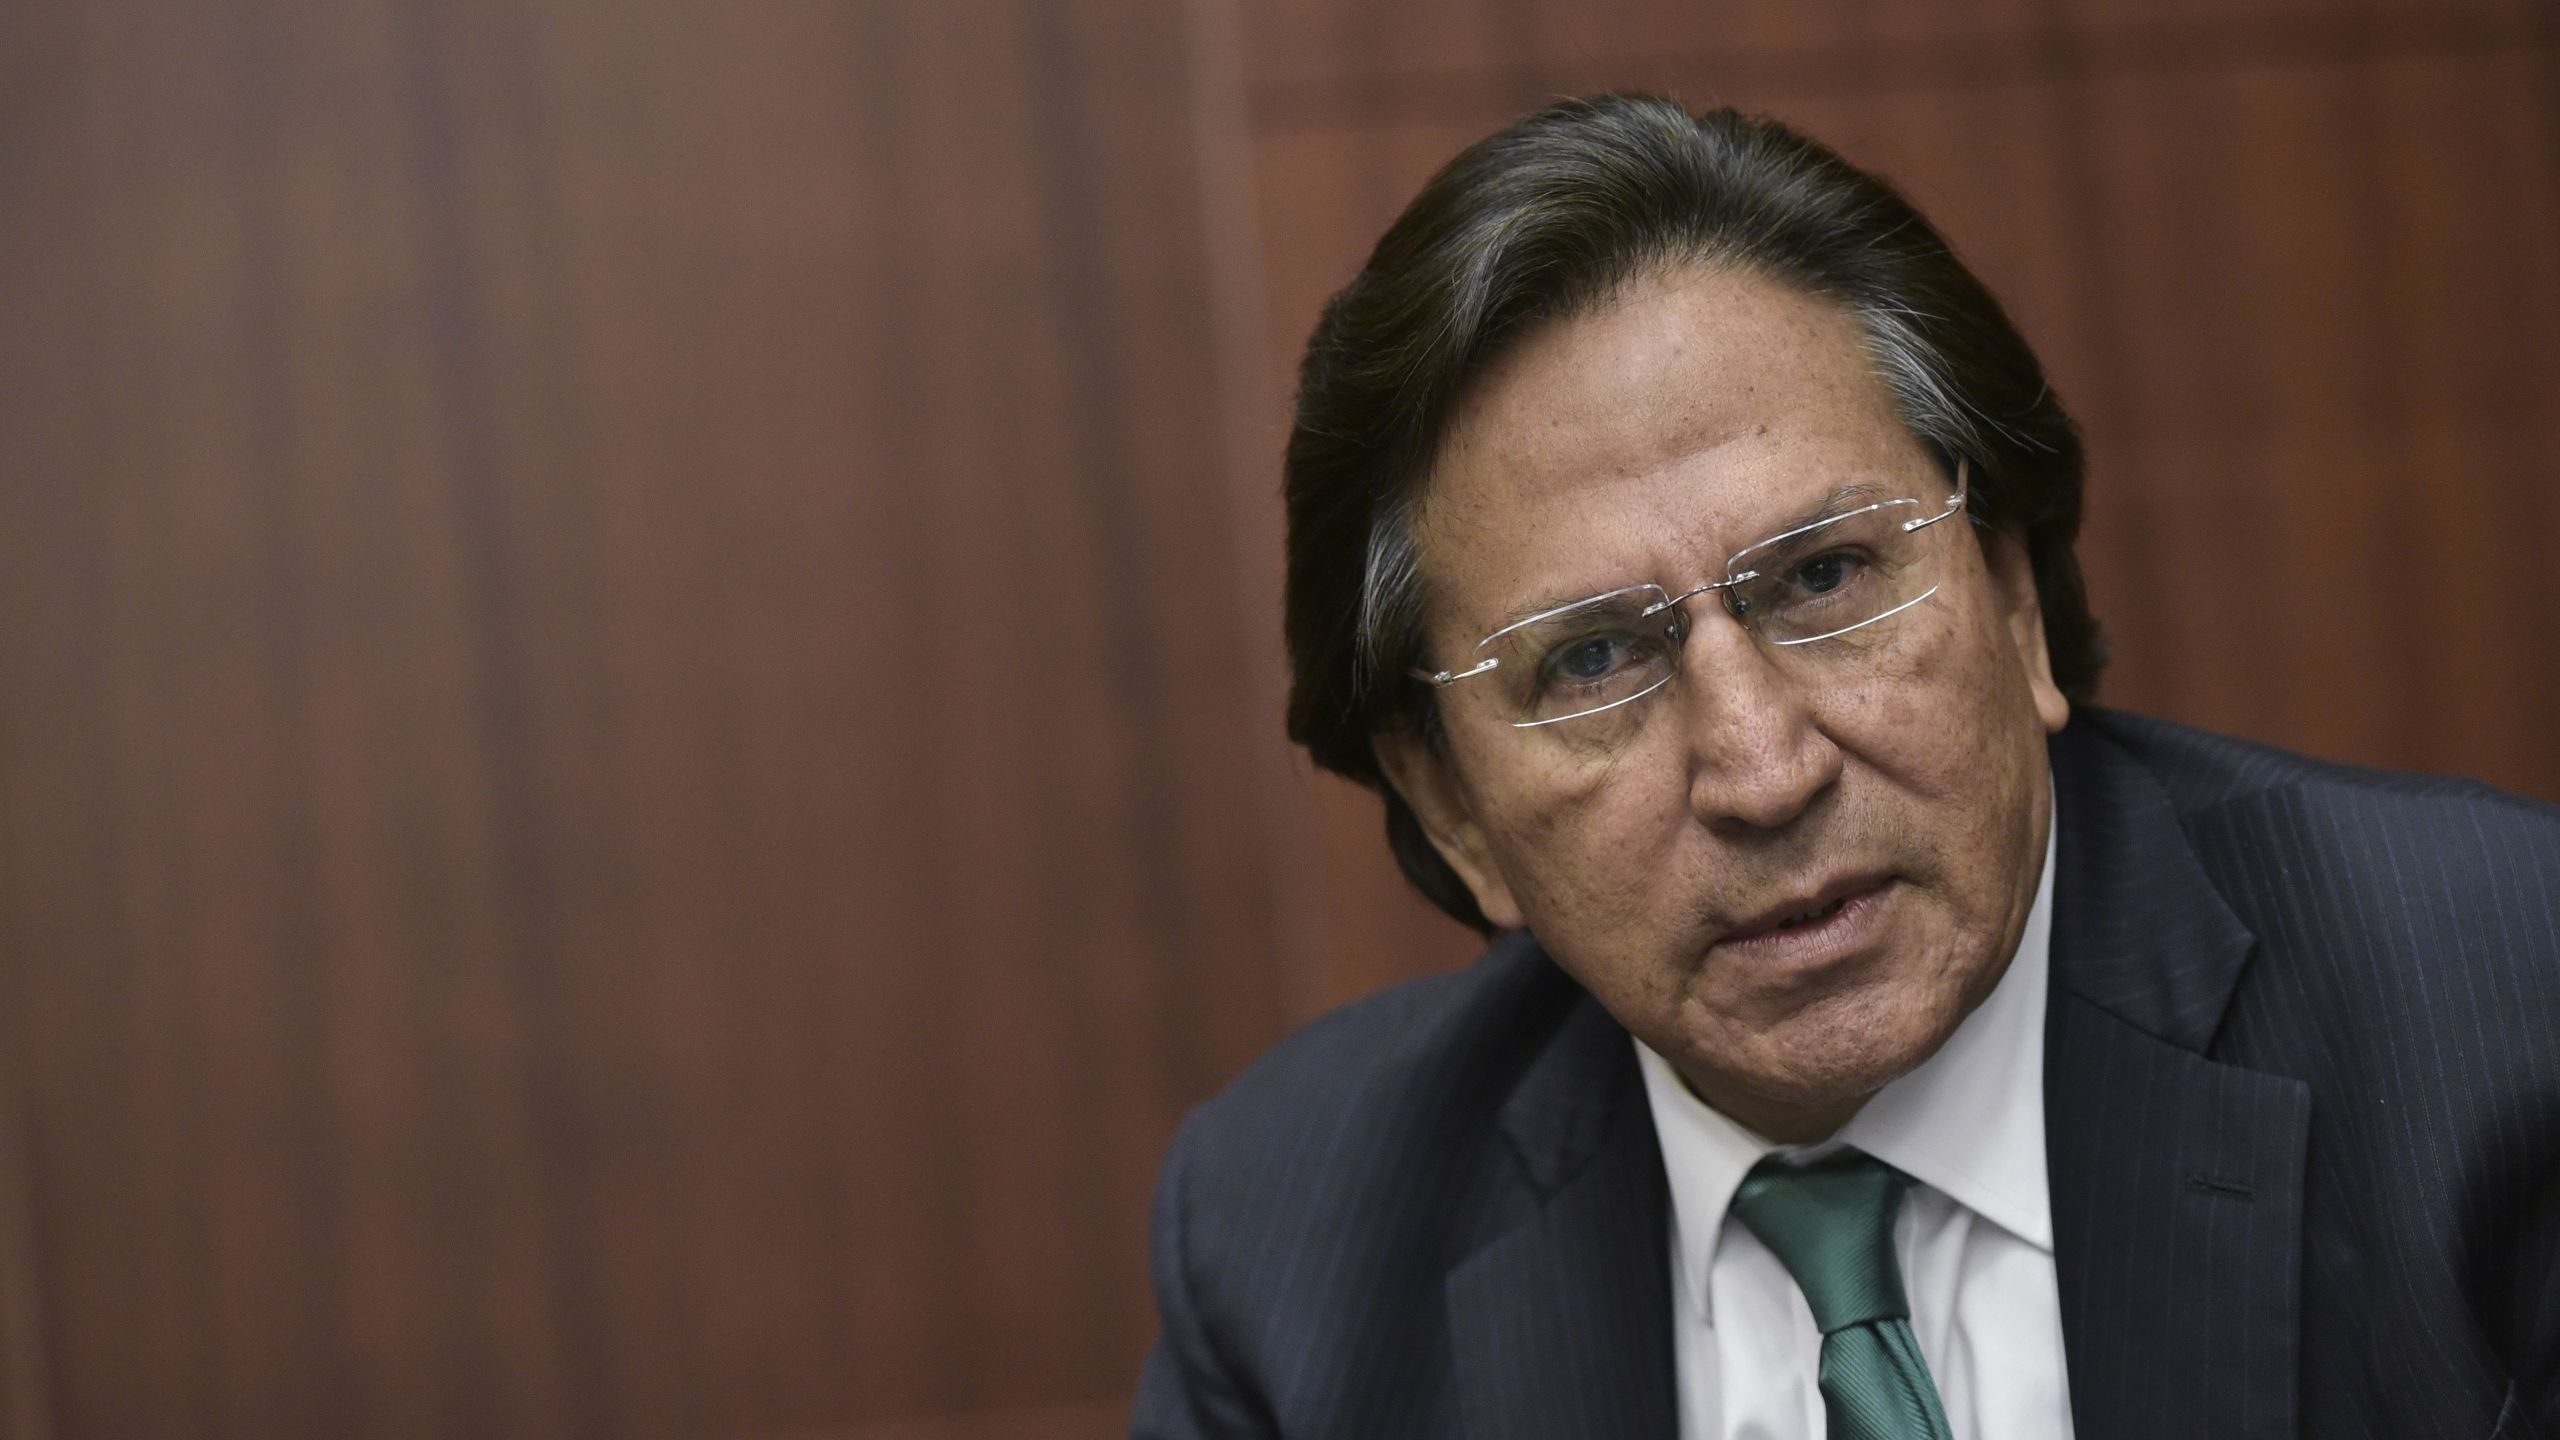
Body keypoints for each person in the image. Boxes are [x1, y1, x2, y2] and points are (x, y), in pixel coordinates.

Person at [1131, 94, 2560, 1440]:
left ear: (2012, 594)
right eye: (1590, 662)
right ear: (1452, 807)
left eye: (1823, 576)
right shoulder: (1292, 1257)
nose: (1761, 773)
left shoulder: (2498, 1013)